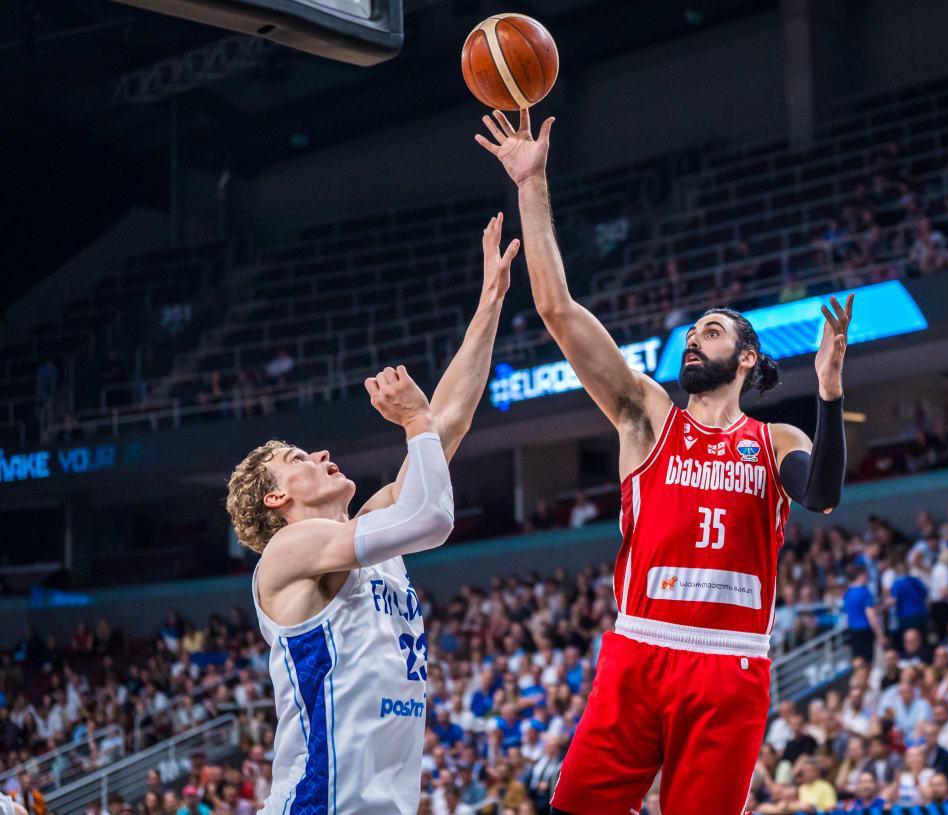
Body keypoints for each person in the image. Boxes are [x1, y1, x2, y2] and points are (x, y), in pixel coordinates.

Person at [476, 109, 849, 815]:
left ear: (746, 358)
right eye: (691, 331)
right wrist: (532, 185)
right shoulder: (647, 415)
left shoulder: (777, 441)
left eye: (711, 331)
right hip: (640, 648)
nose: (692, 338)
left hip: (732, 661)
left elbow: (824, 494)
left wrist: (829, 393)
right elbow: (558, 311)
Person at [224, 215, 519, 815]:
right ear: (276, 500)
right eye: (298, 459)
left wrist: (489, 302)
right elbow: (432, 518)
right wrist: (413, 421)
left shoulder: (369, 532)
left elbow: (448, 423)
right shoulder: (287, 551)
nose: (320, 455)